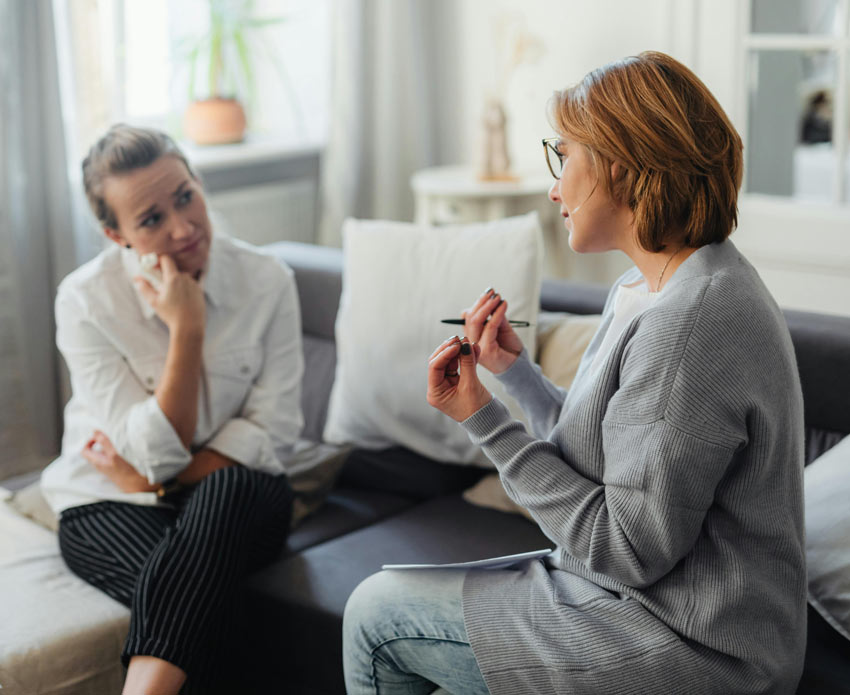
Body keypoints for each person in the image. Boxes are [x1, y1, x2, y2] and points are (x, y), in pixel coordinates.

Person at [343, 51, 806, 694]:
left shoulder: (691, 323)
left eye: (564, 156)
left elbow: (626, 550)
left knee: (376, 615)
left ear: (621, 162)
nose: (555, 187)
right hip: (650, 608)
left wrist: (483, 419)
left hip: (700, 647)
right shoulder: (658, 284)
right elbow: (616, 460)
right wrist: (516, 374)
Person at [40, 124, 306, 695]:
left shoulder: (267, 281)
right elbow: (155, 459)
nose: (184, 228)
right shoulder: (85, 301)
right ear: (117, 236)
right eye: (152, 220)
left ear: (198, 181)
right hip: (109, 499)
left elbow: (277, 431)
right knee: (204, 611)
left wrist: (155, 478)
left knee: (226, 490)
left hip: (243, 495)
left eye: (185, 196)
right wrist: (186, 330)